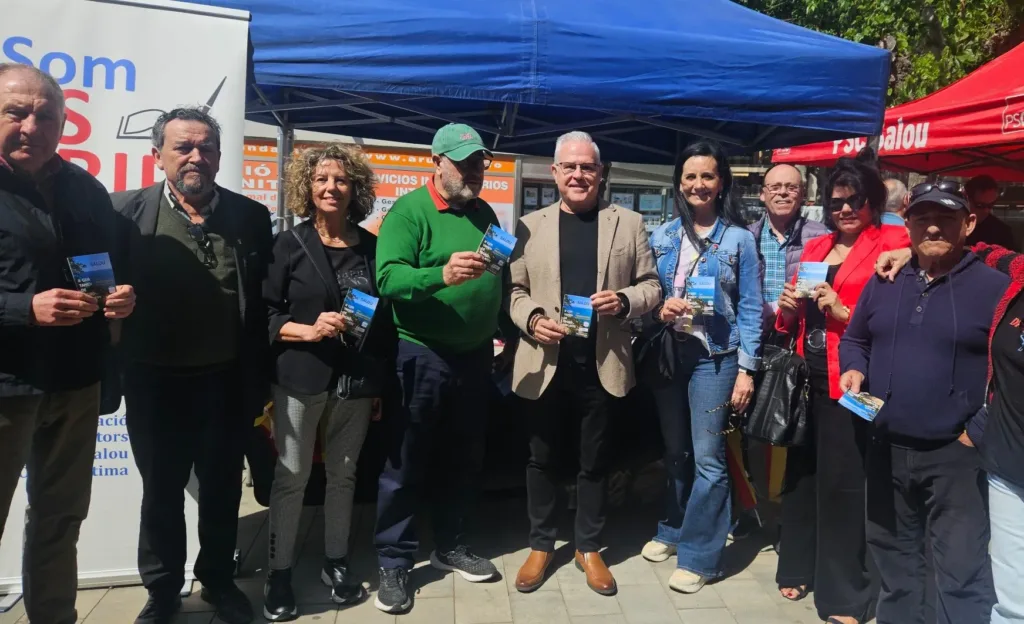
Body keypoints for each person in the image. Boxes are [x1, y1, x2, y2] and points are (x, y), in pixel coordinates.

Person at [111, 107, 273, 624]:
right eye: (183, 147)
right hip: (153, 382)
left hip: (225, 381)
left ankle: (220, 582)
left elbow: (266, 301)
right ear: (158, 154)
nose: (195, 157)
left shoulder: (250, 217)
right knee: (160, 492)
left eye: (206, 147)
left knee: (223, 490)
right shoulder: (124, 214)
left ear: (221, 156)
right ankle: (162, 591)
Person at [0, 62, 136, 624]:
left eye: (47, 115)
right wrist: (22, 309)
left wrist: (123, 298)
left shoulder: (85, 187)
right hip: (7, 385)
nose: (33, 125)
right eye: (17, 112)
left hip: (77, 380)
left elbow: (110, 266)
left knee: (60, 517)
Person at [840, 181, 1002, 624]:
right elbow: (855, 338)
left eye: (947, 218)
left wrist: (978, 430)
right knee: (895, 564)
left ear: (968, 223)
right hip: (885, 448)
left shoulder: (996, 288)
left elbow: (1012, 375)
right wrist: (852, 367)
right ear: (905, 223)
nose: (933, 226)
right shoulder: (886, 278)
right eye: (922, 217)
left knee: (961, 572)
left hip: (956, 456)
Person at [507, 131, 660, 596]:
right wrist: (532, 319)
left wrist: (624, 300)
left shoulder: (629, 223)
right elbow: (513, 292)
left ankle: (588, 546)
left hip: (602, 362)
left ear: (600, 173)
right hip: (545, 361)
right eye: (569, 167)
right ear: (554, 173)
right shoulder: (528, 225)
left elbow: (652, 286)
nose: (579, 175)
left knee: (595, 460)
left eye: (587, 167)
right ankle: (540, 543)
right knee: (541, 458)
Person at [372, 123, 505, 613]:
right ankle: (393, 560)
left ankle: (450, 545)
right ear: (437, 162)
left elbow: (497, 273)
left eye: (479, 162)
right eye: (464, 162)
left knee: (463, 458)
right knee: (405, 463)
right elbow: (388, 278)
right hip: (420, 352)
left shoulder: (485, 212)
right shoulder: (409, 212)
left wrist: (502, 329)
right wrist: (441, 274)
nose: (475, 171)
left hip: (473, 356)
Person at [261, 144, 396, 620]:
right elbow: (267, 316)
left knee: (344, 474)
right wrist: (308, 329)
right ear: (307, 186)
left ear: (355, 188)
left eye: (340, 180)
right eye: (321, 179)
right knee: (293, 477)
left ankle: (335, 561)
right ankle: (278, 572)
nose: (331, 188)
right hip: (299, 377)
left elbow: (382, 322)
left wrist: (376, 384)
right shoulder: (288, 244)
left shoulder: (372, 247)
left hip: (355, 381)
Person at [772, 149, 907, 624]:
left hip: (854, 380)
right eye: (835, 202)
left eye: (854, 201)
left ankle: (846, 594)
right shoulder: (815, 249)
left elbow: (892, 318)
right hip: (806, 377)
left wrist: (841, 310)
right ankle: (798, 564)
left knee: (845, 483)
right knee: (802, 476)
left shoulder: (890, 241)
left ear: (872, 202)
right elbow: (790, 320)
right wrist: (787, 305)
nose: (845, 210)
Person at [639, 140, 762, 594]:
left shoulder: (739, 239)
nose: (698, 184)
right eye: (690, 176)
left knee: (709, 460)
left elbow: (751, 308)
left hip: (717, 358)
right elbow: (646, 296)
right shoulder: (662, 236)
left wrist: (747, 369)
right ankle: (672, 528)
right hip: (672, 353)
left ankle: (700, 556)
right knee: (675, 452)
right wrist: (658, 311)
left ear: (722, 181)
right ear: (679, 183)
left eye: (707, 176)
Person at [734, 164, 829, 541]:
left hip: (802, 347)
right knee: (752, 431)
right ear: (762, 193)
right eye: (775, 187)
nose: (783, 193)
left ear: (803, 194)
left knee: (797, 432)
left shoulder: (821, 237)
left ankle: (793, 513)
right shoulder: (746, 237)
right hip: (757, 345)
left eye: (792, 187)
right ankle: (756, 510)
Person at [965, 175, 1015, 249]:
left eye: (990, 205)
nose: (986, 210)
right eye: (980, 205)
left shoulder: (1002, 232)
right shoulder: (954, 224)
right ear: (967, 199)